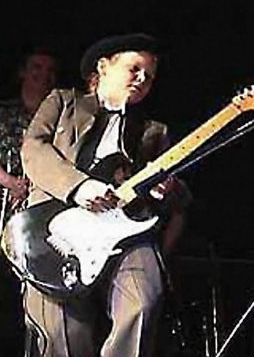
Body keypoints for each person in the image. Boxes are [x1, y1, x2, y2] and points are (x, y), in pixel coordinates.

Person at [19, 33, 191, 357]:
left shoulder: (155, 131)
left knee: (142, 302)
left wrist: (167, 188)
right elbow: (34, 149)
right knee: (65, 334)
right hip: (55, 229)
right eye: (134, 68)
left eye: (150, 76)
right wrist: (79, 186)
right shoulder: (63, 102)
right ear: (104, 66)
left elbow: (177, 198)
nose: (143, 79)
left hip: (124, 234)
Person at [0, 46, 59, 211]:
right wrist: (9, 182)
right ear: (22, 73)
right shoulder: (3, 112)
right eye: (37, 67)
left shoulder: (63, 119)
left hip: (41, 206)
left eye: (50, 70)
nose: (44, 75)